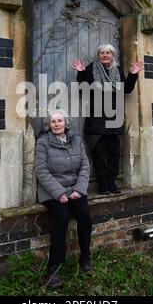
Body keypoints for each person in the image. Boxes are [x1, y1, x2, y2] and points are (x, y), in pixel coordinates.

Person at [72, 44, 143, 195]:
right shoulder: (91, 69)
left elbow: (126, 89)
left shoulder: (117, 71)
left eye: (108, 53)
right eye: (102, 53)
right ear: (98, 55)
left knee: (114, 155)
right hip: (96, 121)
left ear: (113, 55)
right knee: (99, 154)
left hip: (115, 120)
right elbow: (83, 89)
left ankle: (112, 183)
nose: (105, 55)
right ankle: (103, 184)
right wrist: (81, 73)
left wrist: (132, 74)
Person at [35, 110, 92, 288]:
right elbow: (41, 171)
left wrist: (79, 190)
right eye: (53, 121)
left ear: (66, 123)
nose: (57, 124)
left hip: (75, 189)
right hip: (52, 190)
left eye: (60, 120)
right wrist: (59, 193)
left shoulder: (76, 139)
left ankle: (85, 258)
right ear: (49, 125)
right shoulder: (43, 142)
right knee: (61, 217)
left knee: (84, 215)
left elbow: (85, 165)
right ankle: (54, 268)